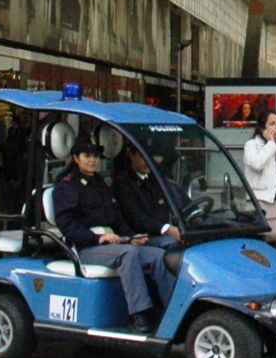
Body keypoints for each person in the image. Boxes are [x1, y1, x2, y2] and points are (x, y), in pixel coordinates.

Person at [53, 138, 174, 332]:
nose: (92, 160)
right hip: (86, 246)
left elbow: (116, 218)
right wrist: (97, 238)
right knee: (129, 254)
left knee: (159, 256)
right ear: (76, 158)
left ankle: (171, 310)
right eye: (87, 156)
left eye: (95, 157)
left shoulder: (100, 183)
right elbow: (68, 225)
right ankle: (139, 314)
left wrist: (131, 237)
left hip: (111, 242)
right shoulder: (67, 186)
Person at [242, 109, 276, 245]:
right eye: (272, 123)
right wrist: (271, 144)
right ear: (262, 128)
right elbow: (257, 164)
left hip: (275, 202)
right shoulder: (251, 145)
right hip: (259, 203)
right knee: (264, 243)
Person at [115, 146, 183, 245]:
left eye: (150, 157)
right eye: (143, 157)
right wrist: (165, 229)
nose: (147, 161)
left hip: (166, 228)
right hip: (144, 236)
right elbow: (136, 217)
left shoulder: (156, 179)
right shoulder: (124, 184)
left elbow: (175, 202)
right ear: (131, 155)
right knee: (170, 242)